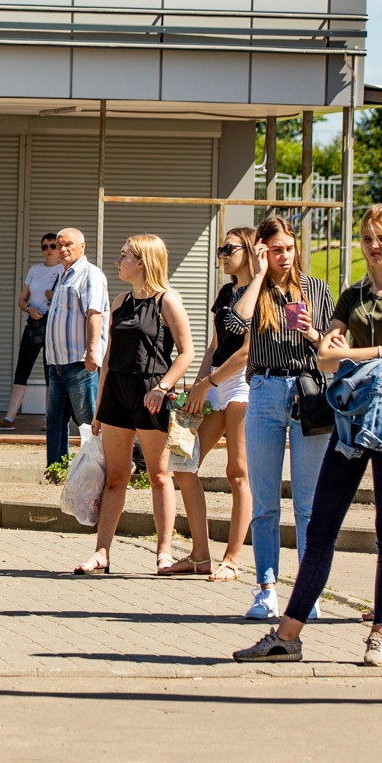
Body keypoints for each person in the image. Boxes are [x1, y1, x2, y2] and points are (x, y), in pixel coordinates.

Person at [234, 204, 382, 669]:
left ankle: (380, 634)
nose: (373, 245)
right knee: (320, 525)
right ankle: (288, 636)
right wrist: (380, 351)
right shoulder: (352, 295)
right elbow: (323, 357)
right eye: (366, 237)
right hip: (349, 419)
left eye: (381, 237)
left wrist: (359, 355)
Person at [71, 234, 196, 575]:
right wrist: (98, 408)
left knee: (159, 475)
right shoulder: (120, 301)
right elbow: (109, 357)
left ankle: (164, 552)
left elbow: (187, 352)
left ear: (142, 262)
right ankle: (101, 552)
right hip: (116, 392)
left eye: (124, 255)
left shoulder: (167, 300)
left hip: (151, 392)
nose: (118, 260)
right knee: (115, 476)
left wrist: (163, 386)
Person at [235, 214, 335, 621]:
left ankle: (306, 593)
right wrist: (257, 275)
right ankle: (265, 588)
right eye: (275, 250)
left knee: (309, 504)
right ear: (262, 250)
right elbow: (233, 324)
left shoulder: (315, 290)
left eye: (289, 249)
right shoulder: (252, 291)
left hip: (307, 391)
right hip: (264, 392)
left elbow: (334, 348)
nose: (284, 257)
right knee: (265, 503)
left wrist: (313, 334)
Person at [174, 227, 257, 582]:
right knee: (182, 461)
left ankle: (233, 558)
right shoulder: (226, 291)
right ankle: (200, 555)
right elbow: (214, 345)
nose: (221, 254)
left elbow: (247, 351)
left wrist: (211, 381)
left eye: (229, 248)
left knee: (237, 472)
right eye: (220, 248)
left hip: (242, 383)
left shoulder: (261, 293)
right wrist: (198, 386)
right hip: (214, 384)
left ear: (250, 251)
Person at [42, 228, 108, 468]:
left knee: (88, 420)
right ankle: (56, 470)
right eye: (59, 245)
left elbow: (94, 314)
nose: (62, 250)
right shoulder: (62, 274)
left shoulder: (91, 274)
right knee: (55, 421)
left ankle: (98, 469)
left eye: (68, 244)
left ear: (83, 246)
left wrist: (92, 352)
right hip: (57, 363)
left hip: (80, 362)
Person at [0, 233, 61, 430]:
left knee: (51, 372)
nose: (48, 250)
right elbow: (22, 299)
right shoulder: (35, 270)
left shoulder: (64, 271)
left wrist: (55, 295)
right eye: (44, 246)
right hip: (34, 325)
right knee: (22, 370)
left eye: (53, 246)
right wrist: (29, 308)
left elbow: (72, 300)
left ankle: (50, 418)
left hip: (53, 326)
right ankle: (9, 418)